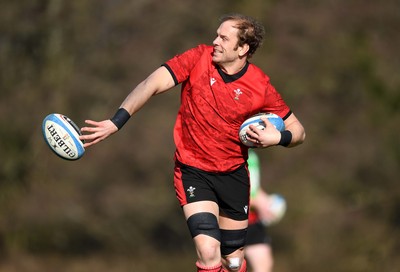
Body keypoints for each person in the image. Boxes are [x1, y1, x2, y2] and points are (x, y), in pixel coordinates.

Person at [80, 13, 305, 272]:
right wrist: (116, 121)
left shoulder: (259, 86)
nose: (215, 42)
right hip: (193, 171)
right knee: (209, 252)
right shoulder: (199, 57)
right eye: (216, 35)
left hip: (233, 175)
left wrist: (279, 137)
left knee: (232, 262)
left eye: (224, 38)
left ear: (242, 49)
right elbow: (150, 83)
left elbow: (298, 131)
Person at [245, 150, 282, 272]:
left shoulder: (252, 156)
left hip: (253, 220)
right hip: (232, 219)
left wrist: (266, 201)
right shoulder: (228, 152)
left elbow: (254, 188)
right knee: (232, 265)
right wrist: (258, 203)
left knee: (265, 264)